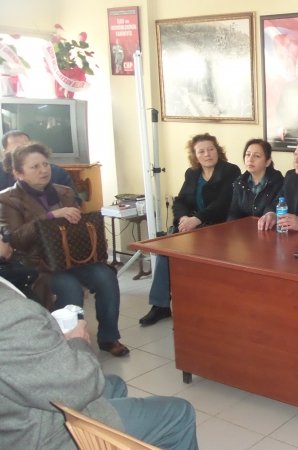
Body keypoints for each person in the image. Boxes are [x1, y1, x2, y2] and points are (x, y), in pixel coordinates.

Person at [0, 264, 198, 450]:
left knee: (115, 384)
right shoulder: (10, 310)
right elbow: (80, 387)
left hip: (18, 412)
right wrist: (77, 341)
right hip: (39, 435)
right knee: (180, 412)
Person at [0, 143, 129, 356]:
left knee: (106, 276)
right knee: (70, 288)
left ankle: (109, 337)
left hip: (72, 257)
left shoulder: (64, 192)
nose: (43, 170)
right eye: (35, 167)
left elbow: (79, 230)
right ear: (18, 173)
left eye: (45, 164)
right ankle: (70, 346)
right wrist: (50, 216)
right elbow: (16, 240)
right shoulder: (7, 199)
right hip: (38, 264)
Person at [140, 133, 240, 326]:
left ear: (218, 150)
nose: (207, 154)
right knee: (165, 251)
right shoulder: (192, 173)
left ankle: (200, 306)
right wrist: (183, 219)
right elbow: (180, 201)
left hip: (218, 227)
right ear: (195, 155)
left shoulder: (230, 171)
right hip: (192, 226)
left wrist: (197, 219)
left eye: (211, 149)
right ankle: (160, 306)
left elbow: (223, 203)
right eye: (201, 151)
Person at [228, 139, 283, 220]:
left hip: (269, 227)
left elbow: (275, 209)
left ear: (267, 162)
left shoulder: (278, 182)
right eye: (248, 154)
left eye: (257, 156)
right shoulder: (240, 182)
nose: (250, 159)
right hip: (244, 227)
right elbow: (233, 213)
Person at [1, 130, 75, 190]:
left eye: (27, 147)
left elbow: (74, 200)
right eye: (17, 149)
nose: (44, 171)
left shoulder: (57, 172)